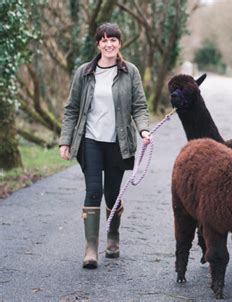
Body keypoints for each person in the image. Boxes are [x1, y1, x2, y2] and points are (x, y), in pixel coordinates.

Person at [59, 23, 151, 269]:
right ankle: (90, 248)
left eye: (114, 40)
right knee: (93, 191)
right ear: (98, 44)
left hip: (117, 143)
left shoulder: (130, 72)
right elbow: (72, 109)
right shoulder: (84, 72)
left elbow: (140, 106)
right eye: (104, 40)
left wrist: (143, 129)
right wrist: (65, 140)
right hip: (89, 140)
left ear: (120, 44)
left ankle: (112, 235)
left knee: (112, 194)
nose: (109, 44)